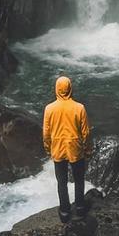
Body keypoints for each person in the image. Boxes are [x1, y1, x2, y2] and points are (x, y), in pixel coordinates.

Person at [43, 75, 93, 223]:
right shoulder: (79, 108)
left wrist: (48, 148)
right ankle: (79, 208)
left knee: (61, 181)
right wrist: (88, 149)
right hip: (75, 148)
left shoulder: (49, 109)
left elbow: (46, 133)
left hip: (58, 148)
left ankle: (64, 211)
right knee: (79, 179)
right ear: (70, 88)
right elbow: (86, 132)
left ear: (57, 89)